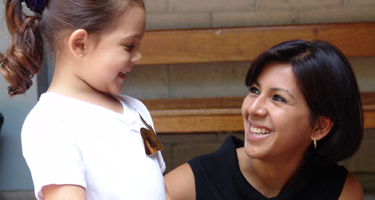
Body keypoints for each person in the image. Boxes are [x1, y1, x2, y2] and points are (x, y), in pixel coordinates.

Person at [0, 0, 170, 199]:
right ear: (80, 44)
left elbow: (161, 191)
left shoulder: (136, 110)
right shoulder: (49, 123)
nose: (138, 56)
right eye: (129, 45)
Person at [165, 40, 364, 200]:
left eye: (278, 98)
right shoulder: (188, 185)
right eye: (254, 91)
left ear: (320, 127)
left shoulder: (341, 191)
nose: (253, 108)